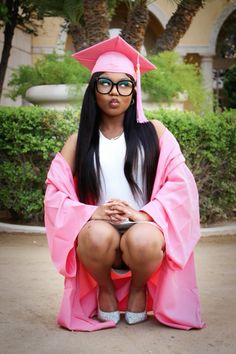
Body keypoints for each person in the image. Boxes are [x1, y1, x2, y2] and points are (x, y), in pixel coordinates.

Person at [44, 36, 205, 332]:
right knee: (93, 237)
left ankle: (138, 289)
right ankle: (104, 288)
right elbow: (55, 192)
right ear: (93, 91)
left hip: (144, 226)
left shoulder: (154, 133)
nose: (114, 92)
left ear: (134, 91)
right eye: (105, 84)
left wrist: (142, 214)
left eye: (124, 84)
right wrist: (92, 213)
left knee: (143, 239)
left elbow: (181, 185)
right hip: (99, 228)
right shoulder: (79, 142)